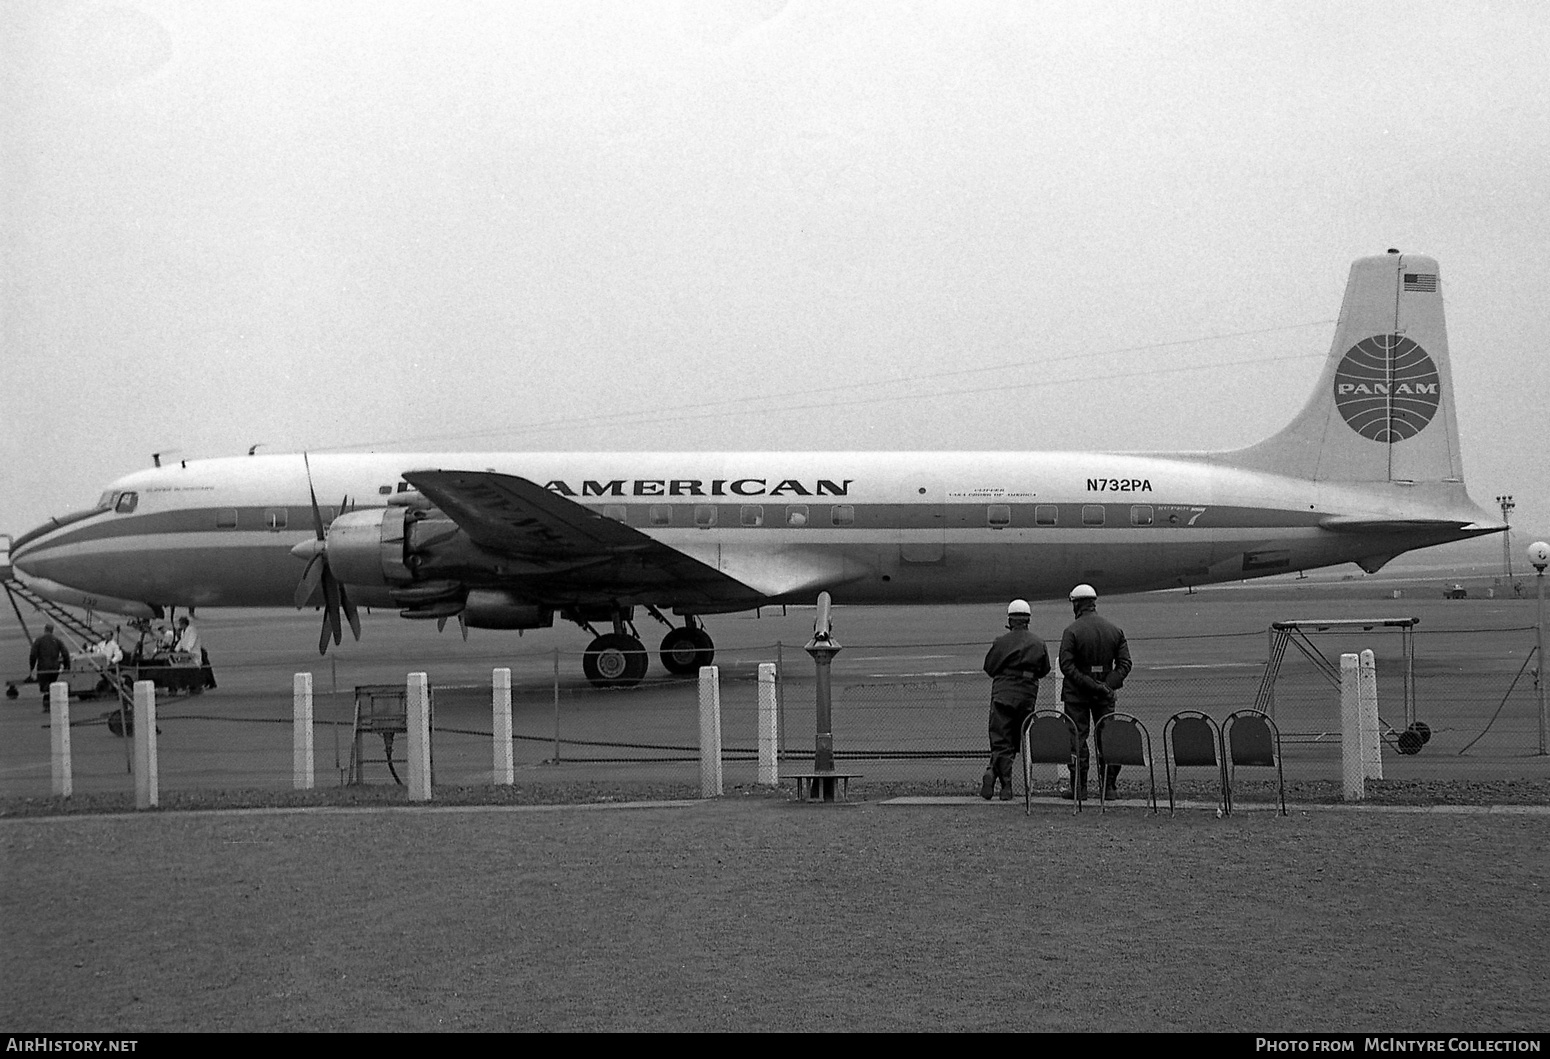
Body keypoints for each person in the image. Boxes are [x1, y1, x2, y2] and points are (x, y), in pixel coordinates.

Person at [1058, 584, 1132, 800]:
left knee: (1077, 740)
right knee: (1107, 738)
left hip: (1077, 695)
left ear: (1077, 604)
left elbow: (1067, 666)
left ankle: (1079, 788)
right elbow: (1125, 664)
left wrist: (1091, 684)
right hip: (1105, 695)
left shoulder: (1071, 631)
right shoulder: (1114, 630)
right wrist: (1106, 686)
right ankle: (1109, 787)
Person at [980, 599, 1051, 801]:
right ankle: (996, 777)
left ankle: (1003, 782)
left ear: (1010, 620)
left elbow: (989, 667)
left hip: (1002, 693)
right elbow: (1044, 669)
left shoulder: (1000, 642)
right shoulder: (1038, 643)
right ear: (1028, 619)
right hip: (1027, 695)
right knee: (1017, 739)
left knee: (1001, 739)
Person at [28, 623, 71, 713]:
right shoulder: (57, 640)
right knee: (52, 685)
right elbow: (65, 653)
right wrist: (67, 665)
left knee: (45, 687)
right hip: (54, 667)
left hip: (43, 667)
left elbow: (33, 655)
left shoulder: (39, 640)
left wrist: (32, 667)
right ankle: (52, 705)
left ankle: (47, 706)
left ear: (45, 629)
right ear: (52, 630)